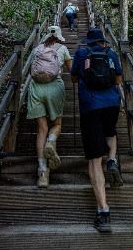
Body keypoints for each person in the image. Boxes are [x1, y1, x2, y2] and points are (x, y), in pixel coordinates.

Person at [71, 29, 123, 233]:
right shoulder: (111, 53)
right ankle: (112, 159)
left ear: (88, 41)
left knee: (94, 159)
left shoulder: (81, 53)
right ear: (102, 41)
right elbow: (118, 80)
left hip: (90, 106)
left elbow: (74, 79)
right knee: (110, 132)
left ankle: (103, 210)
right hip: (112, 103)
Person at [27, 25, 72, 187]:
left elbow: (31, 69)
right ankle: (51, 142)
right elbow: (72, 70)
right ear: (59, 37)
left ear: (47, 36)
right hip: (54, 88)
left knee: (41, 129)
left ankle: (42, 173)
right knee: (57, 124)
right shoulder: (63, 48)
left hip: (36, 88)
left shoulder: (37, 49)